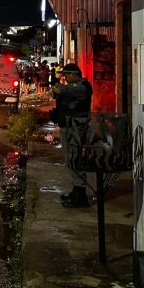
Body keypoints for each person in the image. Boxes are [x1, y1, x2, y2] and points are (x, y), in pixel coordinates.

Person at [51, 63, 94, 208]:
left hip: (74, 128)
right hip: (69, 127)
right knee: (70, 160)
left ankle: (80, 196)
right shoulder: (75, 87)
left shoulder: (82, 87)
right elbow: (58, 93)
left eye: (66, 75)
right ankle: (76, 191)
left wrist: (59, 88)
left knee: (74, 160)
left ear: (74, 74)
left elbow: (64, 89)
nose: (65, 78)